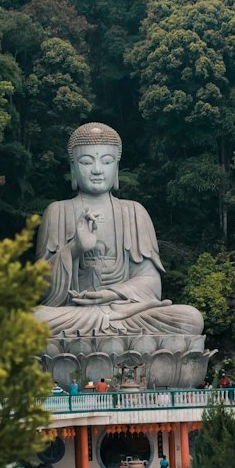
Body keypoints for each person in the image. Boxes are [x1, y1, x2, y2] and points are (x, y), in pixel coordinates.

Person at [34, 122, 205, 338]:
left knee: (190, 319)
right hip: (74, 313)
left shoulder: (134, 212)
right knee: (31, 321)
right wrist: (74, 248)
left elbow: (152, 284)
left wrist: (112, 293)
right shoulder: (57, 212)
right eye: (86, 161)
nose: (97, 170)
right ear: (73, 167)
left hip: (125, 313)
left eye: (106, 161)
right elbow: (40, 287)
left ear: (116, 166)